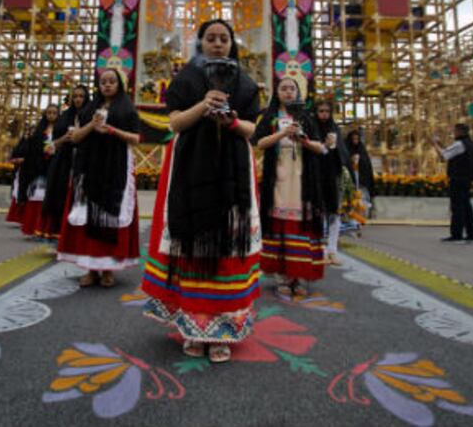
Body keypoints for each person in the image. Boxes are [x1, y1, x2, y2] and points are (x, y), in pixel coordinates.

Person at [141, 19, 261, 364]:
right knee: (194, 242)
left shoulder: (246, 83)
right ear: (201, 43)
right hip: (191, 169)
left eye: (224, 38)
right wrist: (203, 104)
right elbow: (175, 122)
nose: (218, 44)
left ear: (232, 43)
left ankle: (224, 328)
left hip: (233, 171)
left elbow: (252, 129)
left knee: (227, 243)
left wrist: (231, 122)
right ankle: (193, 328)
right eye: (211, 38)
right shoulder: (187, 80)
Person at [58, 68, 141, 289]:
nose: (107, 85)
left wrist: (112, 130)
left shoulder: (127, 110)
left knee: (110, 216)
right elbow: (75, 137)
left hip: (116, 170)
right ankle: (91, 269)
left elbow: (136, 138)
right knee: (88, 216)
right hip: (90, 168)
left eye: (112, 82)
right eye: (103, 82)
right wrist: (92, 126)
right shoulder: (88, 110)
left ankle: (108, 270)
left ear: (119, 84)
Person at [253, 77, 327, 298]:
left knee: (301, 224)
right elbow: (258, 143)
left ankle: (301, 276)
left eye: (291, 88)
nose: (287, 92)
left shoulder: (306, 118)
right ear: (277, 93)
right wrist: (283, 134)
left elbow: (321, 148)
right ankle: (282, 277)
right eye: (283, 88)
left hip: (303, 182)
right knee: (279, 225)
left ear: (298, 92)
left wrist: (303, 140)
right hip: (278, 180)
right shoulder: (271, 117)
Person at [42, 85, 90, 244]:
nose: (77, 99)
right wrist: (65, 138)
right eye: (74, 96)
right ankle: (60, 238)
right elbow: (51, 145)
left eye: (81, 96)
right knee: (61, 199)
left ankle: (79, 240)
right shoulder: (64, 118)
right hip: (64, 164)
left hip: (84, 164)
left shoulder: (90, 116)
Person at [312, 99, 356, 266]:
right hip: (316, 175)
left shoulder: (334, 128)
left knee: (334, 212)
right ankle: (320, 251)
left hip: (333, 176)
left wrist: (335, 146)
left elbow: (343, 154)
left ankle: (332, 250)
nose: (324, 114)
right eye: (321, 111)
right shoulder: (313, 127)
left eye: (327, 111)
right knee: (319, 213)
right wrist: (324, 145)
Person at [431, 123, 473, 242]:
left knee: (457, 207)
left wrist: (435, 144)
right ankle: (471, 233)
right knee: (467, 206)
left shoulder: (460, 144)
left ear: (460, 132)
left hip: (457, 179)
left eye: (455, 131)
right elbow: (449, 150)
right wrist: (441, 144)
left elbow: (444, 155)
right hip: (467, 179)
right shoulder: (471, 144)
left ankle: (456, 234)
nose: (453, 133)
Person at [20, 104, 61, 240]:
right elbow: (33, 149)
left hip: (54, 167)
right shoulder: (39, 131)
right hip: (39, 168)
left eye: (54, 113)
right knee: (36, 198)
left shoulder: (60, 130)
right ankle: (34, 228)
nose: (51, 115)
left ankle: (47, 230)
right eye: (49, 112)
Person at [5, 126, 36, 225]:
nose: (28, 133)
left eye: (31, 131)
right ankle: (17, 216)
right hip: (19, 171)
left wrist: (24, 160)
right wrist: (13, 159)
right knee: (17, 192)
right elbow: (14, 154)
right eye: (27, 131)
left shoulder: (35, 143)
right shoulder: (22, 142)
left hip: (30, 171)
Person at [345, 129, 375, 217]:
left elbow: (366, 165)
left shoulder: (361, 149)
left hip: (361, 180)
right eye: (353, 139)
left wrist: (360, 160)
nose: (355, 141)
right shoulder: (346, 149)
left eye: (357, 139)